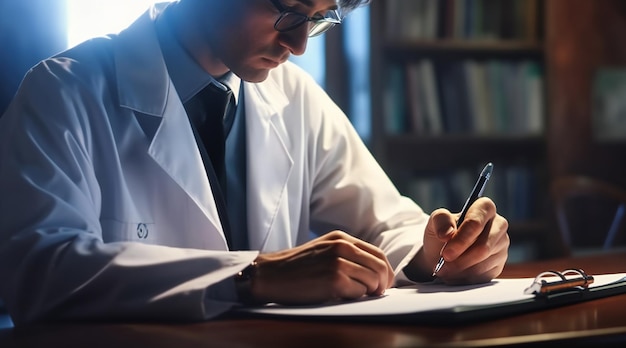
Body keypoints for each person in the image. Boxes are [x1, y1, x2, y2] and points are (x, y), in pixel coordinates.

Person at [0, 0, 509, 325]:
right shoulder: (64, 91)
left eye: (318, 18)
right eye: (287, 10)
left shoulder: (296, 98)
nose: (299, 44)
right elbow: (39, 271)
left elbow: (387, 223)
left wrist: (437, 250)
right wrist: (252, 276)